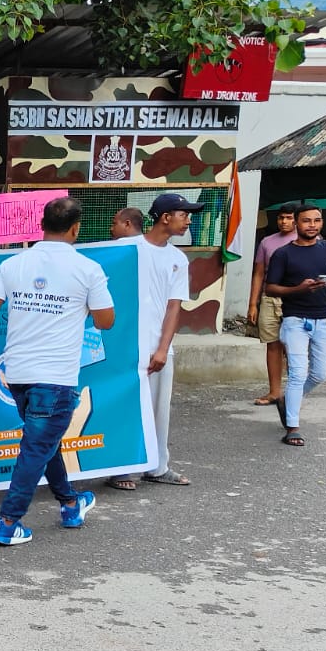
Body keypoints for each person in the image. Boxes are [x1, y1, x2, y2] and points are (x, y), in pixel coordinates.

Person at [0, 197, 113, 547]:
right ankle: (8, 522)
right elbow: (106, 320)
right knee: (36, 448)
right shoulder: (88, 269)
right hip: (55, 379)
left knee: (44, 442)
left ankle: (70, 504)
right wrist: (81, 307)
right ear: (76, 228)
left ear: (42, 225)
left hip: (19, 376)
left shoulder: (13, 264)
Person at [109, 194, 194, 491]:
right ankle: (121, 467)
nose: (188, 221)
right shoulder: (125, 248)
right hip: (125, 344)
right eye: (184, 214)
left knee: (159, 409)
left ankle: (158, 467)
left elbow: (174, 307)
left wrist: (162, 348)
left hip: (158, 346)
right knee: (124, 405)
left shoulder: (178, 259)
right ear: (165, 217)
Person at [264, 203, 326, 448]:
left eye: (317, 220)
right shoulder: (283, 254)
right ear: (296, 223)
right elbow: (270, 288)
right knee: (298, 373)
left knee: (320, 374)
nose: (312, 225)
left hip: (322, 320)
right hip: (294, 320)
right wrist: (298, 289)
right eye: (306, 220)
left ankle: (287, 401)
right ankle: (292, 427)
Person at [248, 202, 299, 407]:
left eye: (289, 218)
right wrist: (253, 304)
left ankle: (295, 393)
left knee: (294, 346)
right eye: (281, 218)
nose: (284, 222)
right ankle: (275, 392)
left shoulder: (306, 240)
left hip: (295, 298)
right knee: (272, 344)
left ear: (297, 220)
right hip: (270, 297)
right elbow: (258, 274)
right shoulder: (267, 242)